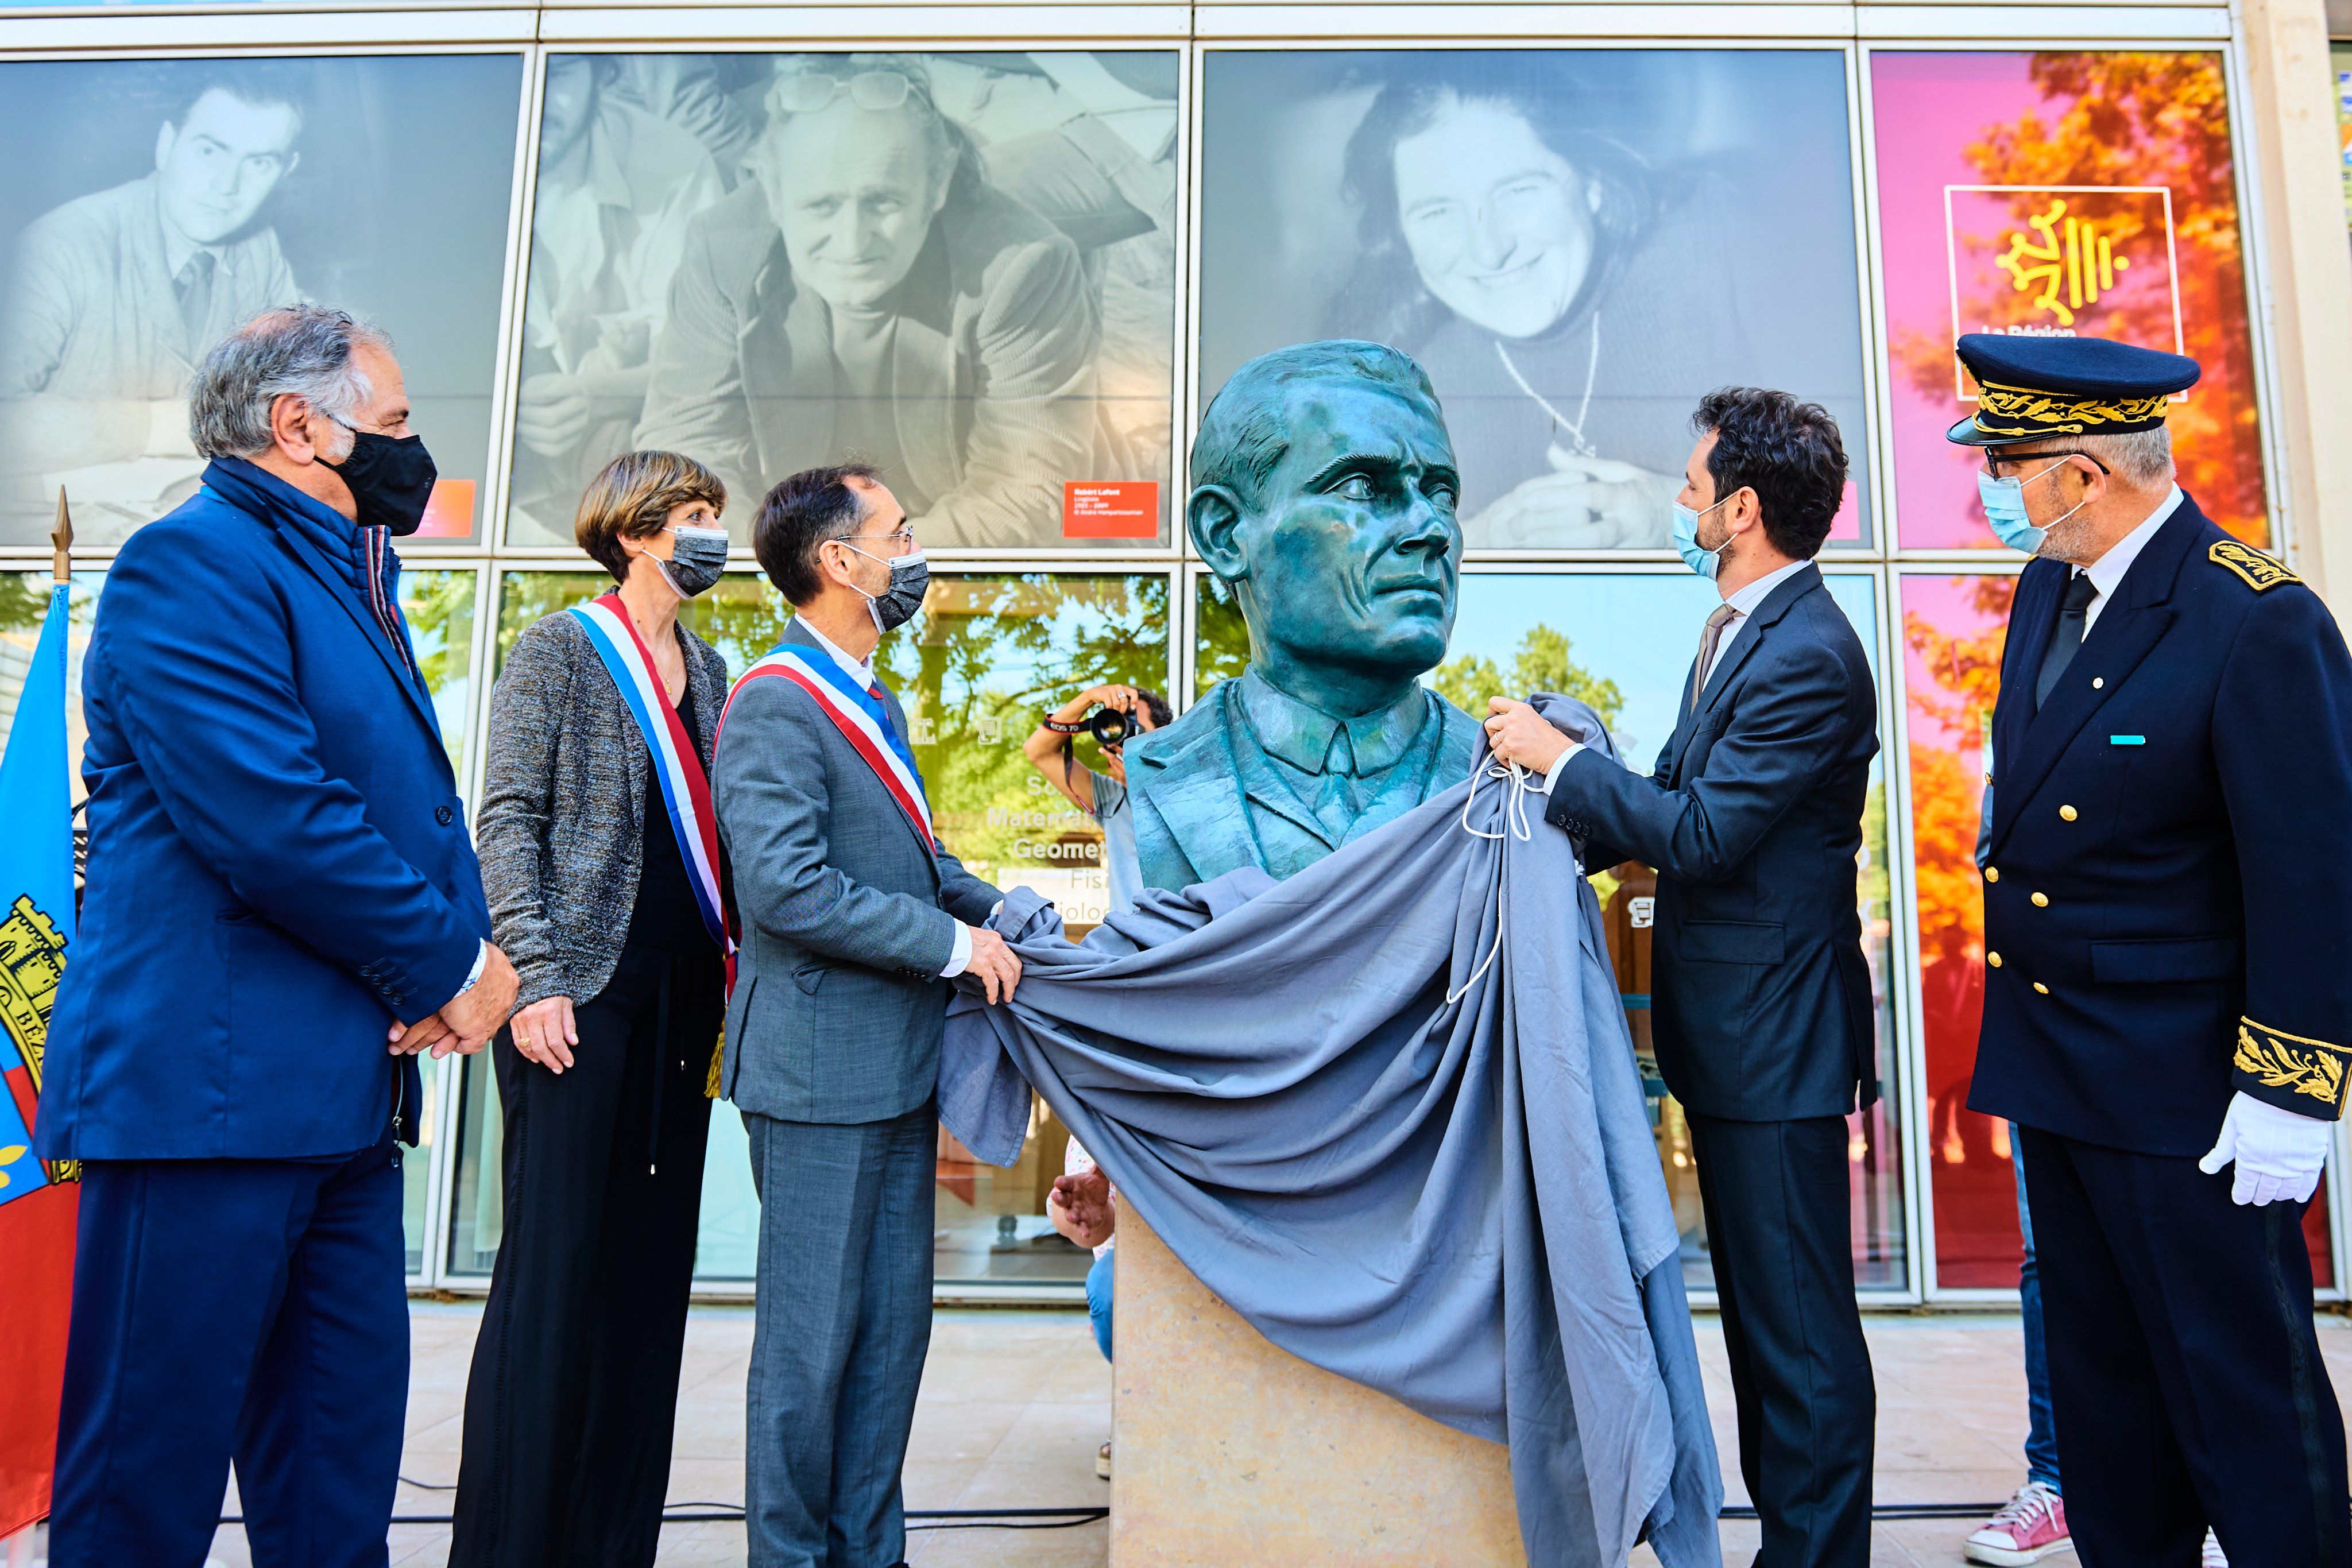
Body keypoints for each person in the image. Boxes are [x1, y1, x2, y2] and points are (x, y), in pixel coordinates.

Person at [33, 303, 517, 1563]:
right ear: (301, 425)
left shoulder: (346, 574)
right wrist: (456, 964)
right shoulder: (190, 565)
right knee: (146, 1487)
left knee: (334, 1491)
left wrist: (445, 954)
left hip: (341, 1109)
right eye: (398, 425)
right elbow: (276, 819)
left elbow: (396, 806)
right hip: (207, 1107)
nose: (414, 453)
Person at [1949, 331, 2352, 1568]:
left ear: (2080, 473)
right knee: (2107, 1410)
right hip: (2060, 1073)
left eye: (2008, 464)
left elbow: (2315, 870)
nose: (1993, 489)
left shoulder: (2253, 617)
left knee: (2239, 1403)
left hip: (2189, 1099)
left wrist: (2291, 1092)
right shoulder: (2046, 595)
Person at [1486, 386, 1881, 1568]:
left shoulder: (1806, 651)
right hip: (1732, 1044)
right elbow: (1661, 811)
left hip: (1777, 1049)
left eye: (1693, 485)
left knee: (1798, 1341)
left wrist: (1558, 763)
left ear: (1743, 508)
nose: (1679, 501)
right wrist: (1538, 815)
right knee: (1765, 1336)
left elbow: (1702, 834)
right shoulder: (1736, 634)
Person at [713, 460, 1022, 1567]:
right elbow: (786, 888)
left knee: (891, 1340)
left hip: (891, 1069)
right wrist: (952, 947)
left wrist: (1010, 917)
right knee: (810, 1352)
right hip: (813, 1077)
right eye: (899, 532)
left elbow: (916, 860)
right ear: (840, 561)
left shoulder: (869, 696)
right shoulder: (776, 702)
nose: (913, 552)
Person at [450, 450, 734, 1566]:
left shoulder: (710, 670)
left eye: (717, 515)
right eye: (693, 516)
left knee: (648, 1290)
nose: (711, 533)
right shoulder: (558, 651)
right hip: (576, 1003)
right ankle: (510, 1547)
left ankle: (611, 1545)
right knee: (554, 1281)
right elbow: (507, 817)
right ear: (634, 532)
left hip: (681, 1011)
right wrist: (535, 970)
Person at [634, 54, 1101, 549]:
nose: (853, 242)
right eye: (821, 206)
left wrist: (857, 565)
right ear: (773, 192)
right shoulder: (720, 249)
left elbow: (1027, 489)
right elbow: (684, 458)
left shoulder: (1023, 264)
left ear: (936, 186)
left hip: (952, 568)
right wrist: (786, 569)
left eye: (883, 202)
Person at [1328, 59, 1759, 549]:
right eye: (1439, 212)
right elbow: (1343, 570)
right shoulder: (1402, 386)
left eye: (1518, 191)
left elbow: (1851, 498)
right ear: (1402, 235)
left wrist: (1684, 518)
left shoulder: (1719, 244)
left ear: (1593, 181)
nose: (1488, 251)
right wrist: (1475, 542)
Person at [1121, 340, 1479, 889]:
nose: (1431, 528)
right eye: (1362, 486)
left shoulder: (1504, 784)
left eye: (1442, 493)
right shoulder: (1159, 769)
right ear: (1225, 534)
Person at [1, 66, 306, 541]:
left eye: (258, 163)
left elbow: (309, 397)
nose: (227, 185)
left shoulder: (259, 251)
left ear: (285, 171)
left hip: (197, 537)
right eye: (210, 151)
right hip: (59, 547)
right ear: (167, 145)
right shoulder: (63, 242)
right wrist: (154, 426)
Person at [505, 56, 724, 542]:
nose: (538, 95)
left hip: (631, 454)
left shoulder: (674, 167)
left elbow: (704, 365)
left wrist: (590, 393)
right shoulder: (450, 167)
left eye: (559, 74)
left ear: (602, 75)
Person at [1020, 683, 1168, 915]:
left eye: (1136, 728)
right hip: (1127, 943)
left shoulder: (1189, 791)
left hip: (1181, 943)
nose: (1126, 736)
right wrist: (1087, 698)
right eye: (1119, 727)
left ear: (1164, 734)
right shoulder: (1113, 798)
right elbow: (1038, 751)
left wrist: (1141, 784)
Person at [1047, 1143, 1116, 1478]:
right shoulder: (1096, 1113)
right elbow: (1090, 1221)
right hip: (1138, 1266)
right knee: (1108, 1287)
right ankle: (1136, 1415)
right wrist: (1084, 1213)